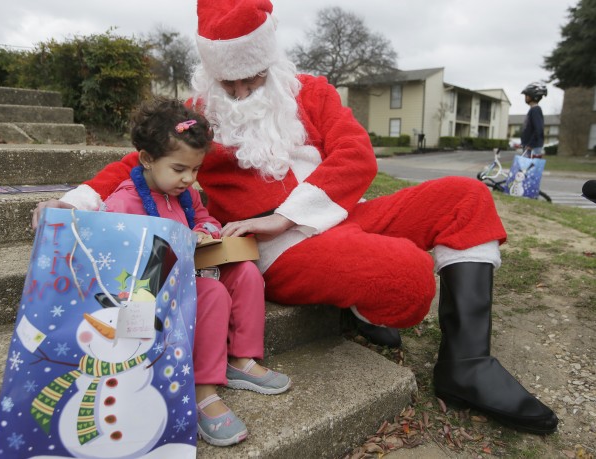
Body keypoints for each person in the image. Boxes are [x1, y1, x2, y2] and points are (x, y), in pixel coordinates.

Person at [32, 0, 558, 435]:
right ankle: (360, 300)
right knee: (406, 273)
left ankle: (466, 365)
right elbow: (136, 161)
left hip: (336, 216)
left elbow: (355, 155)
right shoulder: (199, 112)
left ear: (271, 61)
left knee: (464, 196)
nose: (239, 94)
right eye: (228, 82)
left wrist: (287, 213)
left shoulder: (313, 91)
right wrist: (75, 201)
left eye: (252, 80)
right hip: (280, 250)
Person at [91, 97, 291, 447]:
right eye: (179, 168)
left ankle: (241, 358)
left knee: (245, 272)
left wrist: (209, 232)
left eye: (195, 170)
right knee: (212, 292)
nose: (189, 178)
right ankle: (201, 390)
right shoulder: (124, 203)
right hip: (150, 293)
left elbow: (203, 217)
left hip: (194, 269)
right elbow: (123, 264)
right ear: (148, 160)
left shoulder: (185, 195)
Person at [520, 82, 547, 158]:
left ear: (533, 96)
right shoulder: (533, 110)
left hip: (532, 147)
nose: (525, 97)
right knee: (525, 169)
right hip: (529, 146)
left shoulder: (536, 110)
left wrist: (531, 144)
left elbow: (539, 129)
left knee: (529, 169)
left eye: (527, 95)